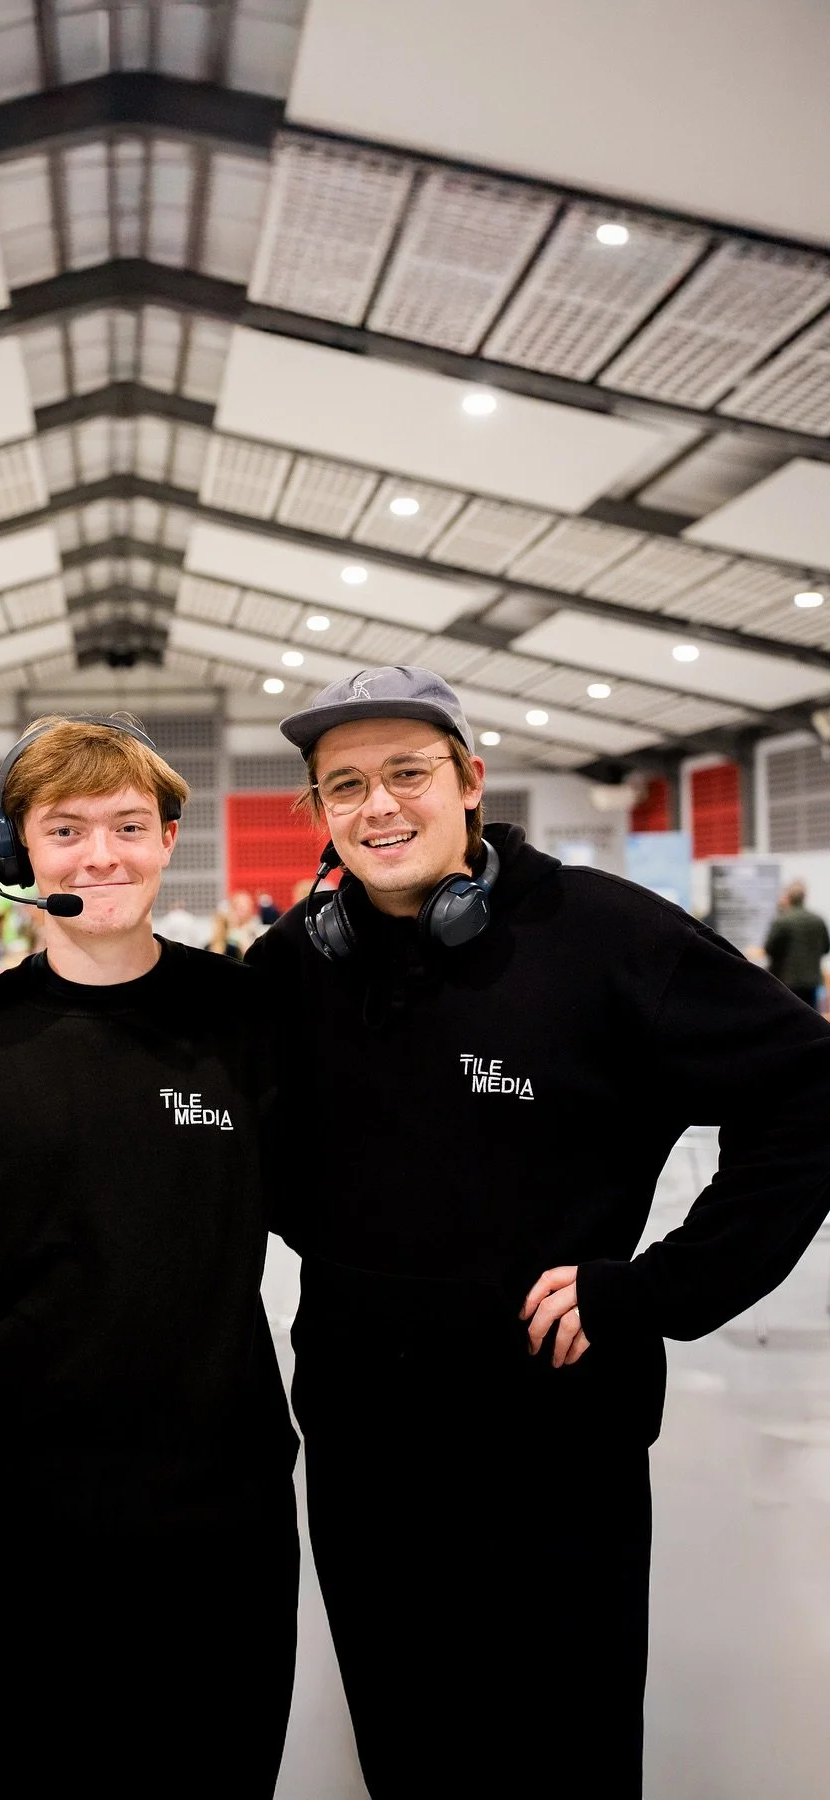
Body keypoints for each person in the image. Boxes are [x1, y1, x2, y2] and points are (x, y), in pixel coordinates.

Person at [246, 666, 830, 1800]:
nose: (379, 807)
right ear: (320, 816)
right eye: (346, 785)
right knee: (409, 1756)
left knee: (560, 1762)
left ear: (471, 780)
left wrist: (654, 1291)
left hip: (553, 1450)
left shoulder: (604, 935)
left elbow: (807, 1089)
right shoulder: (293, 969)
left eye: (407, 773)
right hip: (367, 1449)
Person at [0, 715, 300, 1800]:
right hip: (8, 1508)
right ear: (18, 853)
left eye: (130, 826)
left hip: (214, 1502)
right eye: (66, 828)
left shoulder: (248, 1018)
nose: (101, 856)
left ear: (170, 838)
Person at [763, 880, 829, 1008]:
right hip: (812, 981)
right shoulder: (818, 920)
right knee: (811, 1017)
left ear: (788, 897)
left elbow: (769, 949)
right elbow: (826, 948)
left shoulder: (782, 920)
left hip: (786, 981)